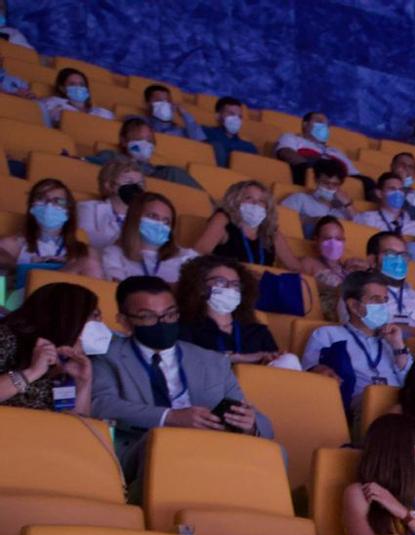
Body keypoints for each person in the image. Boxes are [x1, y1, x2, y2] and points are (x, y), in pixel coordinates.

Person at [90, 274, 272, 473]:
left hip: (210, 446)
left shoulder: (212, 361)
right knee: (162, 448)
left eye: (170, 314)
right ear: (124, 321)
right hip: (144, 447)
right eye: (148, 317)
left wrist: (249, 425)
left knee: (274, 454)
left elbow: (259, 421)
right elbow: (101, 404)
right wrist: (170, 417)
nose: (163, 323)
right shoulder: (107, 356)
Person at [304, 271, 414, 410]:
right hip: (357, 409)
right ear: (354, 306)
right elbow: (311, 377)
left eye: (385, 300)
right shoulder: (326, 335)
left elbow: (412, 383)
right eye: (375, 299)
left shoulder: (392, 340)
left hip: (399, 405)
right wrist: (321, 370)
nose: (383, 306)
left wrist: (398, 346)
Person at [0, 279, 103, 413]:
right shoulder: (6, 337)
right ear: (69, 316)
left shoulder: (71, 359)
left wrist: (83, 383)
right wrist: (32, 372)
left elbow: (77, 429)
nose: (101, 325)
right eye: (94, 316)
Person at [175, 256, 283, 366]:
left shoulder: (258, 332)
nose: (229, 288)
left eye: (235, 284)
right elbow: (187, 363)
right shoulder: (186, 329)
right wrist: (234, 358)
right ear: (200, 287)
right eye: (221, 282)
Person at [1, 177, 97, 280]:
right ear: (31, 207)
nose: (49, 205)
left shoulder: (85, 251)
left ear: (68, 211)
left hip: (64, 293)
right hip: (25, 292)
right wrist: (22, 268)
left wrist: (69, 266)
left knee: (89, 263)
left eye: (58, 201)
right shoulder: (12, 244)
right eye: (41, 198)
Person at [97, 190, 198, 283]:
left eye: (166, 221)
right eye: (152, 216)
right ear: (135, 218)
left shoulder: (187, 257)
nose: (159, 224)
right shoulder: (114, 253)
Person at [365, 234, 415, 333]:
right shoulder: (358, 293)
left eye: (404, 256)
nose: (399, 260)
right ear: (372, 260)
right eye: (391, 254)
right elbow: (367, 331)